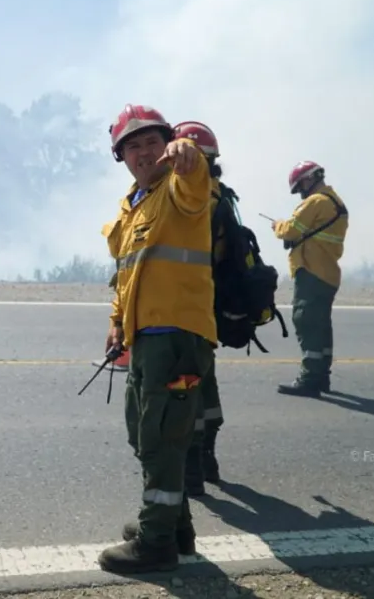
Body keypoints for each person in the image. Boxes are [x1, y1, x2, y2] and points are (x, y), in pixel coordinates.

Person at [97, 104, 216, 574]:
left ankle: (157, 544)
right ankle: (176, 527)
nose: (144, 152)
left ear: (166, 143)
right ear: (122, 156)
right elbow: (127, 274)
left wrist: (188, 154)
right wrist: (116, 322)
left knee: (163, 440)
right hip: (145, 337)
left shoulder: (179, 186)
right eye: (133, 146)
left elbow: (194, 179)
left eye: (152, 141)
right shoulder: (134, 204)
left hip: (177, 336)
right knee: (144, 433)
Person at [172, 121, 226, 497]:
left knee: (184, 387)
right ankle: (207, 459)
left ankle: (192, 468)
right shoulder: (223, 195)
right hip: (208, 308)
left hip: (186, 309)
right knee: (204, 382)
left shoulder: (194, 197)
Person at [272, 160, 348, 397]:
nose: (300, 193)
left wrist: (277, 226)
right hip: (327, 273)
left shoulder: (316, 202)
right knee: (321, 326)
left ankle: (309, 379)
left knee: (305, 321)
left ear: (309, 180)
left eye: (300, 187)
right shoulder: (335, 201)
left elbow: (291, 229)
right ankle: (321, 376)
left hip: (312, 272)